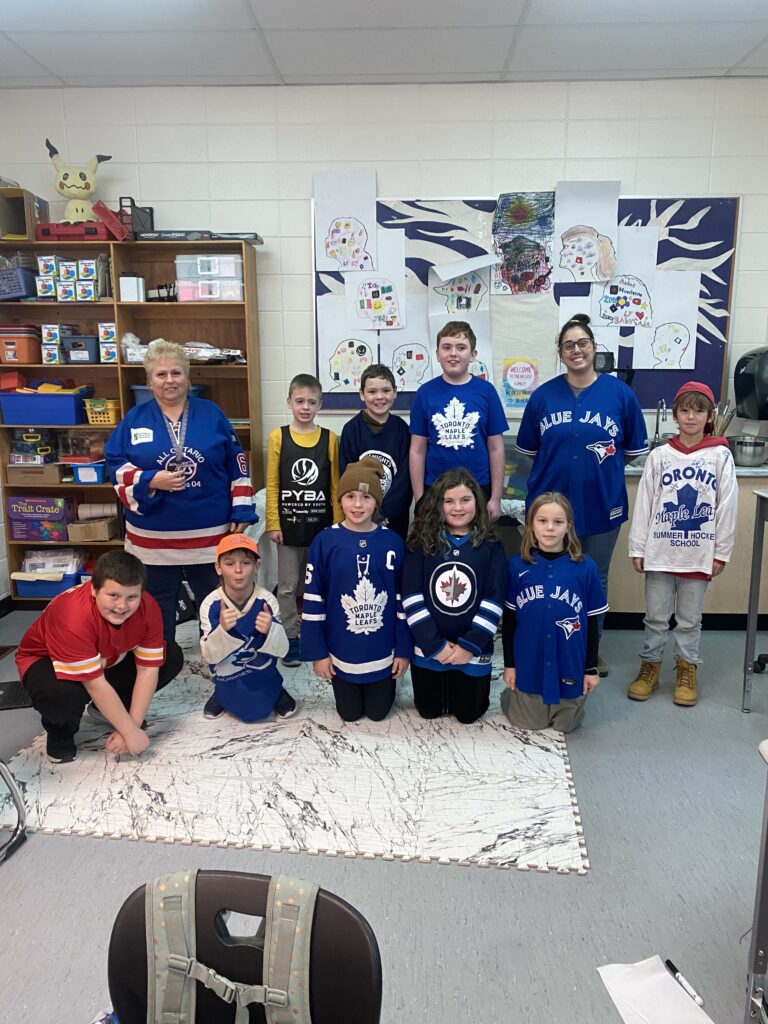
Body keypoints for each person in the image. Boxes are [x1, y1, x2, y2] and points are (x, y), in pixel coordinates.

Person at [515, 313, 648, 675]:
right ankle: (547, 644)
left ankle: (590, 652)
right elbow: (527, 453)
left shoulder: (620, 395)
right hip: (550, 509)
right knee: (544, 574)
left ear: (593, 348)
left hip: (602, 503)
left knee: (594, 576)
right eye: (569, 345)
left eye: (583, 343)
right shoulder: (543, 397)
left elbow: (636, 451)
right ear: (561, 353)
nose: (577, 350)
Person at [105, 340, 256, 653]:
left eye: (176, 373)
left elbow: (237, 463)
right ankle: (161, 663)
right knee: (158, 604)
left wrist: (241, 511)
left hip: (208, 535)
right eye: (161, 374)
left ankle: (221, 657)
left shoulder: (212, 414)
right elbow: (116, 466)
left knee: (214, 601)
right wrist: (150, 479)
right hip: (153, 539)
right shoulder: (134, 419)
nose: (169, 380)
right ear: (149, 380)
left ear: (187, 378)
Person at [15, 549, 183, 764]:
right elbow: (94, 683)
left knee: (170, 657)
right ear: (94, 589)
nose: (122, 606)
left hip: (105, 658)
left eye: (132, 597)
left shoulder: (148, 607)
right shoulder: (71, 616)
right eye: (113, 595)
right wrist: (131, 734)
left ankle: (109, 709)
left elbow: (148, 669)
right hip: (47, 661)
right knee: (61, 696)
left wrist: (131, 724)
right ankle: (60, 732)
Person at [627, 382, 737, 707]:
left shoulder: (720, 455)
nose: (691, 416)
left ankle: (687, 668)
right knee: (656, 617)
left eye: (698, 410)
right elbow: (645, 502)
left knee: (689, 620)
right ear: (675, 414)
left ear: (709, 416)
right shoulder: (660, 455)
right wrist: (638, 546)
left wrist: (722, 551)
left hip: (698, 552)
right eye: (685, 410)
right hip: (661, 551)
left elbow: (727, 506)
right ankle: (650, 666)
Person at [301, 458, 411, 722]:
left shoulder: (393, 543)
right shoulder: (325, 541)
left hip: (381, 653)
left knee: (378, 714)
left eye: (366, 497)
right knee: (348, 714)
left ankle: (382, 685)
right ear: (340, 500)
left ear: (376, 502)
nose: (358, 505)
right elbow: (314, 600)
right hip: (342, 652)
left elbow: (403, 600)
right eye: (350, 496)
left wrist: (404, 650)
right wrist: (318, 654)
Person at [402, 468, 506, 724]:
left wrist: (468, 646)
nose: (457, 508)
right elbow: (411, 595)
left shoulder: (491, 544)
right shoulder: (420, 542)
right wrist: (433, 644)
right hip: (429, 648)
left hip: (473, 649)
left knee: (468, 714)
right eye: (449, 501)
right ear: (438, 505)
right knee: (428, 711)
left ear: (477, 503)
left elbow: (495, 598)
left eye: (465, 500)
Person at [501, 492, 607, 733]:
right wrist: (510, 665)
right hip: (529, 660)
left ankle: (571, 699)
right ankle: (512, 697)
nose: (550, 528)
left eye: (558, 522)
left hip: (569, 660)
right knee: (529, 722)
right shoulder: (517, 565)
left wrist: (590, 669)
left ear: (569, 526)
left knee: (565, 725)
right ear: (530, 525)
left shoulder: (585, 567)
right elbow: (509, 621)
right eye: (542, 521)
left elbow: (592, 622)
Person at [265, 373, 340, 668]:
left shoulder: (330, 439)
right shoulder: (277, 437)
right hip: (288, 529)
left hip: (321, 530)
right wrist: (273, 522)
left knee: (321, 585)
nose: (305, 407)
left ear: (320, 404)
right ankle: (291, 638)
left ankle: (319, 637)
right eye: (299, 401)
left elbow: (335, 487)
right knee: (287, 586)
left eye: (311, 401)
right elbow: (272, 483)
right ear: (289, 403)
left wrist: (336, 527)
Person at [409, 320, 507, 522]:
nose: (453, 353)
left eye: (461, 347)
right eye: (446, 347)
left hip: (478, 487)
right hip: (435, 488)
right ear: (437, 354)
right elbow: (417, 450)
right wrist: (420, 498)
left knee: (476, 548)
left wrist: (496, 498)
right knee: (435, 548)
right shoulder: (425, 393)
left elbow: (496, 448)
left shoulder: (486, 392)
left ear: (473, 355)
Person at [198, 533, 296, 722]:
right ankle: (220, 692)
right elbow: (209, 655)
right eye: (229, 563)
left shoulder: (267, 600)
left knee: (262, 697)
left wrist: (271, 631)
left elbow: (282, 650)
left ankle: (276, 691)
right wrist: (222, 631)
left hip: (260, 671)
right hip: (227, 672)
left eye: (245, 562)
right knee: (228, 684)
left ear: (257, 566)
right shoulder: (210, 604)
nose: (238, 570)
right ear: (218, 568)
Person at [339, 362, 412, 540]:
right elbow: (347, 476)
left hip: (394, 520)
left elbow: (405, 478)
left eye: (386, 391)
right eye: (372, 392)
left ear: (395, 392)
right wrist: (369, 512)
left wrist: (384, 513)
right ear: (362, 394)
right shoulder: (351, 430)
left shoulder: (402, 429)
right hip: (360, 516)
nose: (379, 397)